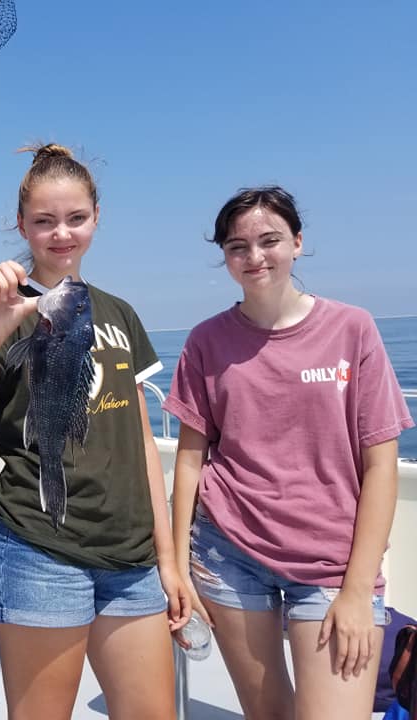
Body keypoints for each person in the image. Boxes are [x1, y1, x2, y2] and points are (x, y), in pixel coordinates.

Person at [0, 144, 190, 720]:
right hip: (38, 550)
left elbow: (142, 442)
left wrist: (167, 558)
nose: (61, 234)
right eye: (44, 221)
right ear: (21, 225)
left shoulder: (119, 313)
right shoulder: (2, 310)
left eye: (75, 218)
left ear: (96, 217)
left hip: (131, 557)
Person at [165, 186, 415, 719]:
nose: (254, 257)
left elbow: (380, 467)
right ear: (225, 257)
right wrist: (179, 565)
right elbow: (189, 459)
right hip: (227, 552)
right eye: (237, 247)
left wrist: (354, 592)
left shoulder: (354, 329)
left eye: (269, 240)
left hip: (331, 562)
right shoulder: (206, 340)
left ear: (297, 243)